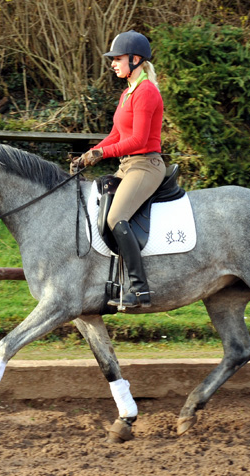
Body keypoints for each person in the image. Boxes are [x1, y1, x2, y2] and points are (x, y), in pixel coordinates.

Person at [72, 30, 165, 309]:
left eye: (117, 58)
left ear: (136, 60)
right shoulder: (128, 93)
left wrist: (102, 154)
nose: (113, 63)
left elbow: (136, 140)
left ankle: (139, 289)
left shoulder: (146, 92)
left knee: (115, 217)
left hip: (146, 165)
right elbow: (116, 134)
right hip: (128, 166)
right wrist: (90, 153)